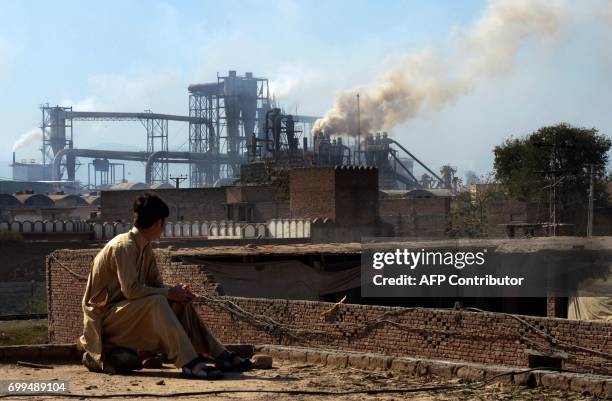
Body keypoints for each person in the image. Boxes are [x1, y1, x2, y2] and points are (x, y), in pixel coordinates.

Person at [79, 192, 252, 378]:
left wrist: (177, 293)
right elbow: (131, 291)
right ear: (158, 223)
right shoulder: (124, 247)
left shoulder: (145, 247)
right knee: (158, 302)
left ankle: (221, 354)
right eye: (165, 223)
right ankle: (189, 363)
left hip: (126, 315)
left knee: (179, 303)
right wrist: (168, 293)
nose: (164, 228)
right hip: (104, 321)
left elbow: (156, 286)